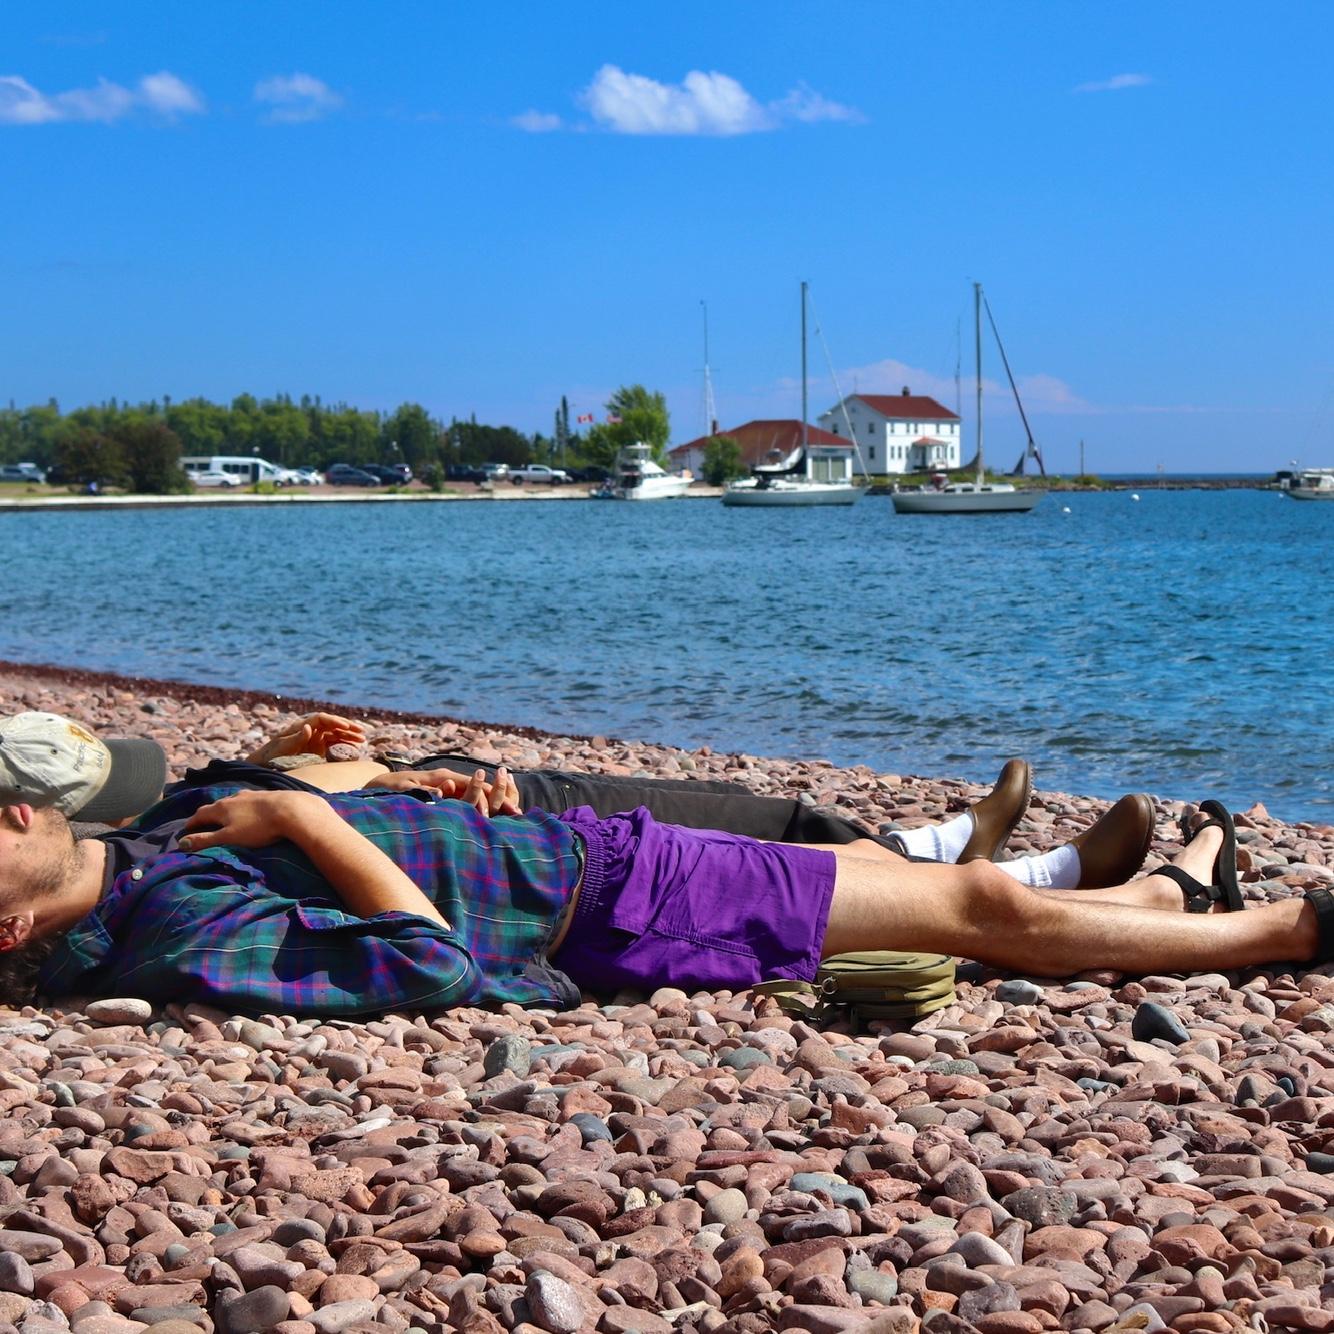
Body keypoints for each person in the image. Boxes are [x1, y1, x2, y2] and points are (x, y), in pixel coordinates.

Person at [0, 762, 1326, 1017]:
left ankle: (1163, 905)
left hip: (598, 863)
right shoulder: (172, 926)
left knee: (890, 876)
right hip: (618, 900)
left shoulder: (142, 854)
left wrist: (387, 790)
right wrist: (304, 815)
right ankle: (1287, 932)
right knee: (974, 912)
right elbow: (425, 962)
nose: (12, 807)